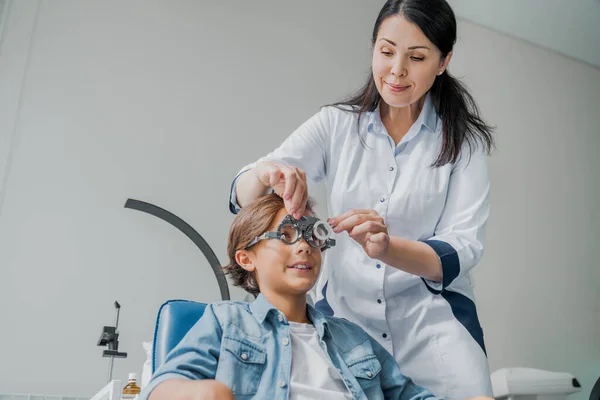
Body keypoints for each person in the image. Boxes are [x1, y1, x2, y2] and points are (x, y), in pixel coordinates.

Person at [228, 0, 496, 398]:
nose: (397, 70)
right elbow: (243, 195)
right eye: (386, 51)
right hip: (350, 338)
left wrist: (388, 248)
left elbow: (463, 248)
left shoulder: (462, 143)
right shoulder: (336, 125)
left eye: (417, 57)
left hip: (437, 336)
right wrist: (265, 173)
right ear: (373, 47)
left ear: (443, 62)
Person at [140, 194, 468, 400]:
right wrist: (201, 392)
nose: (304, 245)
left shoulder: (351, 338)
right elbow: (161, 387)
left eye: (312, 235)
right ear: (246, 259)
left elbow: (411, 396)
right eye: (285, 235)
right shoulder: (225, 322)